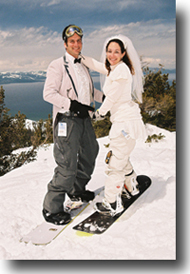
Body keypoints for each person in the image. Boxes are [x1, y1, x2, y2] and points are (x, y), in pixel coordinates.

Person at [42, 24, 104, 225]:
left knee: (90, 151)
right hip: (67, 119)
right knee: (67, 163)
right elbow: (48, 93)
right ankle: (51, 208)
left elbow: (90, 91)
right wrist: (71, 105)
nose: (76, 44)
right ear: (65, 44)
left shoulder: (84, 64)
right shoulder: (57, 65)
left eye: (79, 41)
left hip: (84, 118)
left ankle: (77, 190)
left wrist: (108, 98)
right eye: (72, 41)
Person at [81, 34, 147, 216]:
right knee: (121, 156)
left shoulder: (121, 70)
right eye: (109, 51)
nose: (112, 55)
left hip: (124, 124)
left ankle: (111, 202)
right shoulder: (115, 68)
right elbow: (97, 65)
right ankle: (131, 185)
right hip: (126, 121)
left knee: (114, 164)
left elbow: (112, 97)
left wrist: (99, 113)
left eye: (116, 52)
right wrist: (80, 56)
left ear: (123, 53)